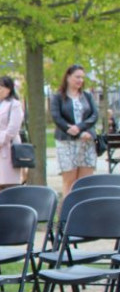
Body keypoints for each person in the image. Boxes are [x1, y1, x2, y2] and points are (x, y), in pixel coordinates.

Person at [50, 64, 99, 197]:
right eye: (77, 77)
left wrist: (80, 128)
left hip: (86, 142)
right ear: (68, 77)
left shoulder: (87, 96)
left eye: (82, 78)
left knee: (85, 182)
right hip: (66, 142)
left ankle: (85, 212)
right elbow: (56, 117)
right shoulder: (58, 97)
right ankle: (67, 214)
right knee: (69, 182)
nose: (80, 80)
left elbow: (94, 115)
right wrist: (71, 129)